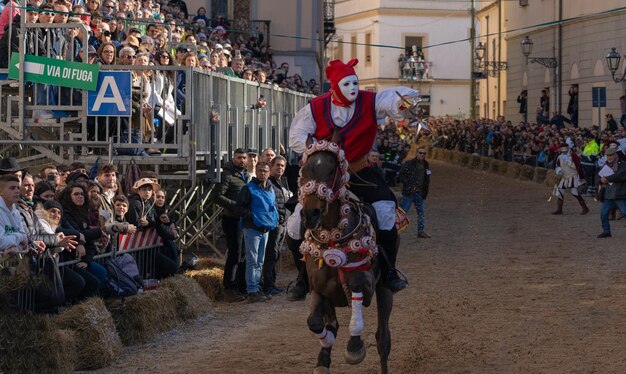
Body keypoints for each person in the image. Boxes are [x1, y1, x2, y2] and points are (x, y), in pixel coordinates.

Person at [289, 58, 420, 293]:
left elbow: (390, 100)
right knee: (296, 221)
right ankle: (302, 279)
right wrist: (321, 150)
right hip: (324, 177)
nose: (352, 89)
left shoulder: (369, 101)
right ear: (335, 86)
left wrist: (403, 103)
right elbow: (297, 136)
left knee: (384, 210)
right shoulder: (316, 106)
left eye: (354, 83)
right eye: (346, 84)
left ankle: (389, 272)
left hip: (359, 171)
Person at [235, 162, 278, 303]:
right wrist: (253, 216)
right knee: (252, 261)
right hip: (252, 229)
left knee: (260, 261)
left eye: (265, 171)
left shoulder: (270, 188)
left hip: (265, 229)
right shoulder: (248, 188)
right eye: (260, 171)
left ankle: (257, 287)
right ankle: (252, 290)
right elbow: (239, 208)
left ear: (269, 172)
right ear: (256, 171)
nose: (263, 173)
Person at [214, 148, 249, 302]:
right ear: (233, 158)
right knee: (234, 254)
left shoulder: (245, 175)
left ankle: (241, 286)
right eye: (239, 157)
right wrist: (236, 206)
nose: (241, 160)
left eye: (244, 158)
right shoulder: (227, 175)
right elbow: (217, 196)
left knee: (243, 254)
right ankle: (229, 287)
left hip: (243, 219)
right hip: (231, 219)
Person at [262, 155, 290, 296]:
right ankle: (268, 285)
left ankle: (271, 283)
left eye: (282, 166)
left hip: (283, 224)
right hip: (274, 225)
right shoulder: (269, 183)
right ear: (271, 167)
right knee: (271, 254)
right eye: (277, 165)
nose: (280, 168)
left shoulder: (282, 182)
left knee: (276, 254)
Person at [397, 147, 431, 238]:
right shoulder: (409, 164)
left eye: (424, 153)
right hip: (409, 193)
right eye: (420, 153)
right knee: (403, 212)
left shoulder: (426, 165)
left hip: (419, 193)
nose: (422, 155)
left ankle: (421, 231)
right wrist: (408, 185)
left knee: (421, 213)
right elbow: (401, 176)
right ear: (416, 153)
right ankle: (395, 231)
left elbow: (427, 179)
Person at [550, 144, 589, 215]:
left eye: (565, 149)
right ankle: (559, 209)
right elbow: (557, 166)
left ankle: (585, 208)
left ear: (568, 148)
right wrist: (559, 171)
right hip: (565, 177)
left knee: (574, 192)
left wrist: (568, 161)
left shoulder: (573, 155)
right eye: (562, 149)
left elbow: (577, 167)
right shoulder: (560, 156)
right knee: (560, 192)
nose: (564, 151)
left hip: (573, 176)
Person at [597, 147, 626, 238]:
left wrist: (607, 178)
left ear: (616, 155)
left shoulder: (623, 165)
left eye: (611, 155)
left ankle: (606, 231)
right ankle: (606, 231)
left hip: (619, 194)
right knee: (603, 213)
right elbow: (599, 178)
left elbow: (621, 176)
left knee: (625, 212)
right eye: (608, 155)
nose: (609, 157)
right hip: (608, 194)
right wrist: (601, 180)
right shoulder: (604, 165)